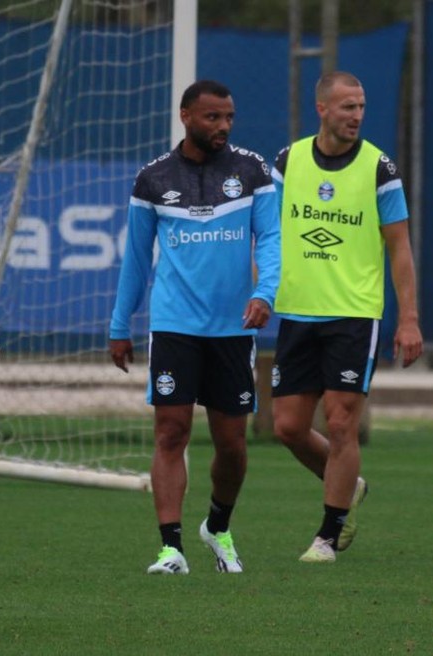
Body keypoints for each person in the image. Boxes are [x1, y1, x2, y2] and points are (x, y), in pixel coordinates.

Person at [109, 79, 280, 575]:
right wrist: (121, 326)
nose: (223, 126)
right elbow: (136, 261)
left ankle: (218, 526)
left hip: (233, 327)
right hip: (174, 325)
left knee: (232, 443)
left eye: (228, 117)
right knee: (171, 432)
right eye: (212, 117)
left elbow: (270, 239)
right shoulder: (153, 179)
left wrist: (263, 293)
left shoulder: (253, 171)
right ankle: (170, 547)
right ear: (186, 116)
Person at [270, 71, 423, 563]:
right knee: (288, 427)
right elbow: (268, 235)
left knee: (340, 424)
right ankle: (348, 487)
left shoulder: (380, 169)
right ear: (322, 109)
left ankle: (328, 535)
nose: (356, 116)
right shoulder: (288, 161)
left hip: (354, 314)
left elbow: (399, 248)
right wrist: (257, 290)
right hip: (296, 310)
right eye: (347, 107)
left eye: (361, 107)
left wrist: (409, 319)